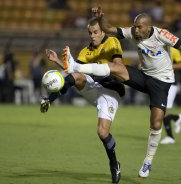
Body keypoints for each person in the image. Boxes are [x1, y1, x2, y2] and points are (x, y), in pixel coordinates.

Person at [62, 8, 181, 178]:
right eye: (134, 27)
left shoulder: (163, 35)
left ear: (147, 27)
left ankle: (148, 161)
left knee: (156, 123)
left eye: (139, 27)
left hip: (161, 82)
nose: (135, 30)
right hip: (144, 76)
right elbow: (109, 29)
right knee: (118, 68)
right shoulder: (133, 33)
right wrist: (101, 18)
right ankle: (76, 67)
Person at [40, 17, 124, 183]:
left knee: (102, 133)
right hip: (93, 87)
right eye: (90, 33)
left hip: (110, 91)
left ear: (102, 32)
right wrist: (57, 60)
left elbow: (118, 67)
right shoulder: (86, 51)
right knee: (75, 76)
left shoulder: (113, 42)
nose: (92, 36)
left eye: (96, 32)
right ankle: (49, 99)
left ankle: (114, 164)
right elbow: (73, 70)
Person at [160, 48, 181, 144]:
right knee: (160, 110)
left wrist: (168, 65)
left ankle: (170, 137)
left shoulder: (173, 50)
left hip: (171, 83)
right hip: (160, 82)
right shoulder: (155, 47)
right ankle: (176, 118)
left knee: (163, 110)